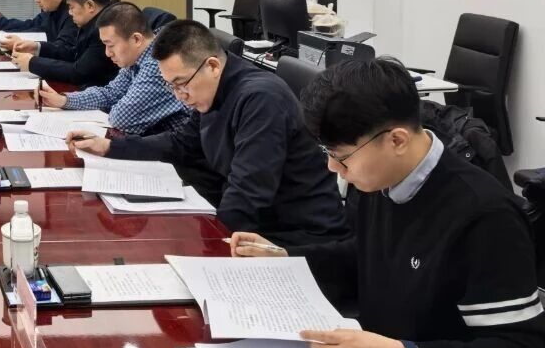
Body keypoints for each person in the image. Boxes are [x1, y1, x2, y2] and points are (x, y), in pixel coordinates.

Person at [231, 58, 545, 348]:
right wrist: (288, 259)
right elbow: (370, 256)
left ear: (396, 140)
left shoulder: (485, 216)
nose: (332, 167)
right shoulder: (382, 178)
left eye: (342, 156)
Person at [68, 19, 347, 245]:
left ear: (212, 66)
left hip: (296, 237)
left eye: (182, 84)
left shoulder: (260, 99)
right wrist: (110, 147)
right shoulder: (214, 89)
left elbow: (249, 192)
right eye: (171, 86)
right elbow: (181, 143)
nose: (179, 95)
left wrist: (213, 247)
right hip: (255, 221)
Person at [39, 2, 191, 136]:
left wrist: (119, 102)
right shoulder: (139, 55)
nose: (107, 53)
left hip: (181, 154)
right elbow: (111, 93)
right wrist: (64, 100)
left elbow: (121, 118)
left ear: (136, 39)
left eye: (110, 45)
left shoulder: (158, 64)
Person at [10, 0, 119, 87]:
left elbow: (79, 73)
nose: (70, 13)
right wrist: (36, 47)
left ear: (90, 6)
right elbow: (73, 53)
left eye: (72, 7)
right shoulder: (93, 21)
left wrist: (32, 63)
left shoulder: (105, 30)